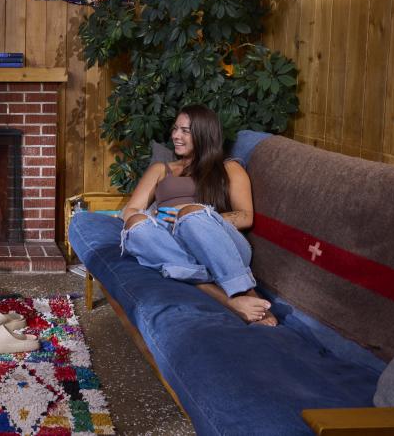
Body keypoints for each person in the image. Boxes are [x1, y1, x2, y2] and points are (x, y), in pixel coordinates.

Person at [116, 104, 276, 326]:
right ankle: (231, 302)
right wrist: (163, 226)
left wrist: (195, 217)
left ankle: (248, 293)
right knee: (135, 226)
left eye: (185, 131)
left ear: (204, 134)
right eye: (175, 129)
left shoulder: (229, 168)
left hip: (219, 246)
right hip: (173, 246)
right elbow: (130, 210)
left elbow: (246, 215)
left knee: (191, 214)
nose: (176, 136)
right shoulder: (162, 170)